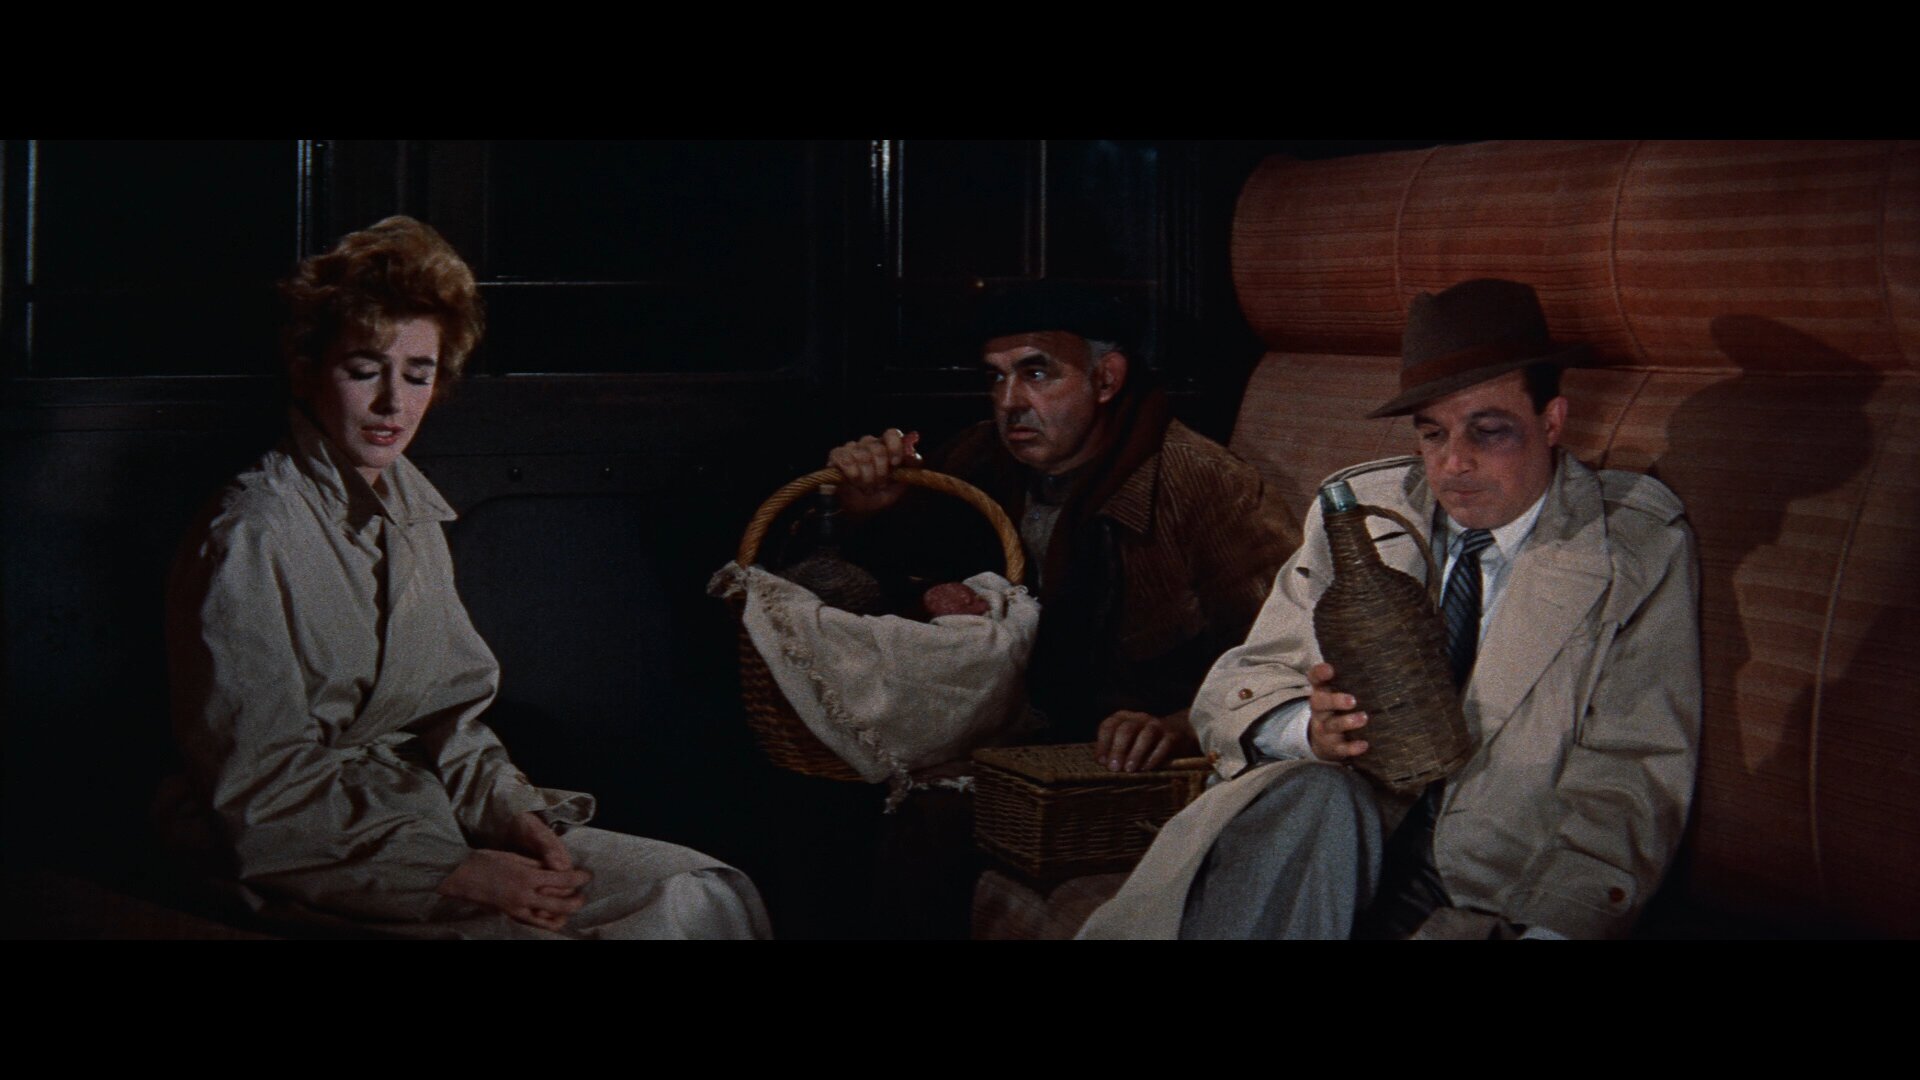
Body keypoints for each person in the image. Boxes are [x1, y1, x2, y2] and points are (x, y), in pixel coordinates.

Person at [165, 216, 770, 939]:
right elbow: (258, 792)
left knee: (700, 892)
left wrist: (513, 815)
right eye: (364, 370)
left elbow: (451, 718)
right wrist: (448, 871)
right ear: (306, 368)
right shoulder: (249, 534)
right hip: (310, 854)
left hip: (427, 815)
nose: (393, 404)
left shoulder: (411, 511)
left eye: (417, 375)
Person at [1078, 278, 1702, 940]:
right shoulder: (1364, 516)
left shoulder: (1630, 550)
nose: (1453, 463)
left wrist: (1553, 928)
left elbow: (1629, 780)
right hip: (1321, 846)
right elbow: (1236, 686)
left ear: (1552, 421)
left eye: (1489, 431)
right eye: (1432, 434)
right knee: (1319, 796)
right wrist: (1309, 730)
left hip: (1483, 890)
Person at [829, 282, 1292, 773]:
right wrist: (871, 508)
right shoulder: (978, 456)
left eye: (1036, 373)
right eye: (996, 377)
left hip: (1125, 772)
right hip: (999, 743)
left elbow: (1281, 658)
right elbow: (893, 595)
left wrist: (1179, 727)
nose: (1009, 402)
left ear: (1106, 380)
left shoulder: (1210, 487)